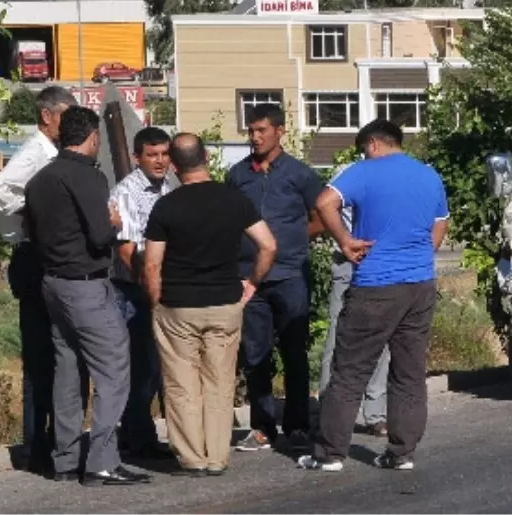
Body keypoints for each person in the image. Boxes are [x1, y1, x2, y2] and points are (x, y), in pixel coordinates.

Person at [300, 119, 449, 473]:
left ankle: (330, 453)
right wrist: (418, 256)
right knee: (409, 373)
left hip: (376, 285)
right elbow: (441, 222)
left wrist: (345, 241)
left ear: (372, 144)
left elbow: (324, 203)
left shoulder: (363, 171)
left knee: (350, 370)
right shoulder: (429, 175)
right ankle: (401, 453)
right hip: (419, 286)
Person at [25, 106, 150, 487]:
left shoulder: (39, 180)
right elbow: (100, 235)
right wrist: (113, 223)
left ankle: (65, 459)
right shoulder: (89, 178)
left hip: (51, 283)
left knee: (67, 369)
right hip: (85, 283)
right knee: (114, 367)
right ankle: (102, 461)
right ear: (93, 137)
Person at [142, 134, 278, 477]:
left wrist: (156, 302)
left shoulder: (166, 206)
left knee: (181, 384)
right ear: (206, 157)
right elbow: (268, 246)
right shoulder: (235, 200)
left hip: (178, 305)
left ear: (173, 165)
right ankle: (217, 457)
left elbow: (152, 264)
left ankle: (192, 458)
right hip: (225, 302)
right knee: (219, 382)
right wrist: (252, 284)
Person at [0, 85, 77, 475]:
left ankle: (55, 440)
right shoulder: (35, 153)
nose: (70, 123)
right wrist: (35, 211)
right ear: (47, 116)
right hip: (32, 255)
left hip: (49, 254)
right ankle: (37, 445)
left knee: (62, 354)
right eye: (65, 115)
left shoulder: (56, 154)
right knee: (40, 357)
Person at [227, 104, 325, 452]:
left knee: (294, 351)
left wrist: (292, 240)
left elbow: (322, 216)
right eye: (251, 131)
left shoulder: (300, 174)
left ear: (280, 131)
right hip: (250, 278)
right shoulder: (238, 175)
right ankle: (263, 426)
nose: (255, 137)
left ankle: (297, 425)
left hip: (289, 274)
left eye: (262, 130)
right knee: (255, 353)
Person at [109, 126, 175, 460]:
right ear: (138, 158)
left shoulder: (169, 187)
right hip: (135, 291)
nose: (160, 161)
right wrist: (147, 287)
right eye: (152, 155)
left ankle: (145, 434)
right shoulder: (127, 192)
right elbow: (126, 249)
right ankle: (137, 437)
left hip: (163, 287)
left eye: (164, 154)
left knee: (158, 365)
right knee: (142, 366)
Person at [318, 157, 389, 438]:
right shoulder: (348, 173)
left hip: (382, 261)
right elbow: (324, 207)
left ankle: (376, 413)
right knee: (338, 334)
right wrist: (344, 240)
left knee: (382, 339)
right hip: (350, 259)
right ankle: (327, 408)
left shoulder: (397, 176)